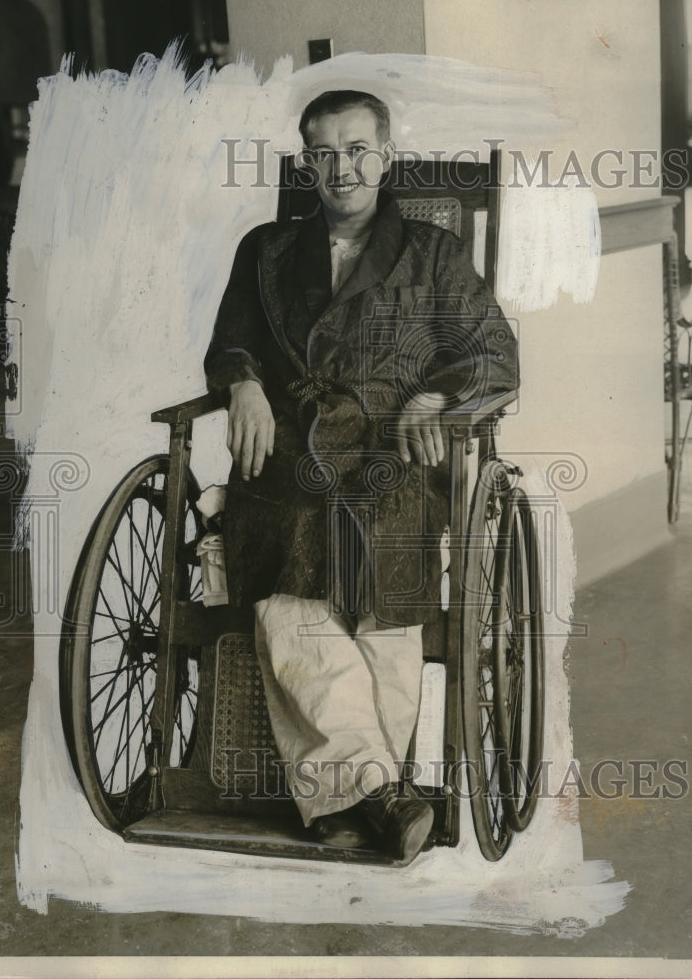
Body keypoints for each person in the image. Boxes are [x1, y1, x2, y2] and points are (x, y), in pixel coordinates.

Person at [204, 89, 518, 864]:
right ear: (306, 163)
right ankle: (385, 797)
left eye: (357, 149)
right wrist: (243, 382)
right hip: (289, 462)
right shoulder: (267, 248)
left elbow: (492, 352)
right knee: (288, 603)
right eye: (323, 153)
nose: (341, 168)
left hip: (390, 458)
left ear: (385, 156)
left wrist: (437, 397)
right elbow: (231, 340)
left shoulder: (433, 254)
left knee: (384, 609)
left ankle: (355, 797)